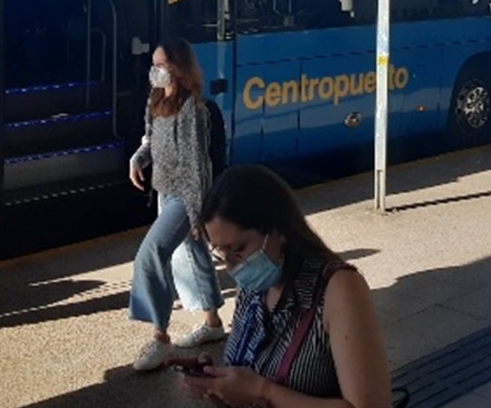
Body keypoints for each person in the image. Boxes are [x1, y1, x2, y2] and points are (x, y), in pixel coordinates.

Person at [180, 165, 391, 407]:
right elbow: (245, 385)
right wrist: (217, 384)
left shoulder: (339, 289)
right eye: (221, 253)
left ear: (278, 230)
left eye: (238, 249)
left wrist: (264, 392)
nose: (231, 267)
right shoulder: (252, 287)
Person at [128, 37, 225, 371]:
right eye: (153, 65)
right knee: (192, 254)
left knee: (150, 255)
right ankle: (213, 324)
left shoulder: (192, 109)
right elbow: (150, 140)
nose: (155, 71)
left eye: (162, 66)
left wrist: (197, 214)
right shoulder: (155, 99)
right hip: (165, 190)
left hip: (186, 196)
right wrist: (138, 158)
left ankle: (160, 339)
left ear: (180, 68)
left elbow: (195, 165)